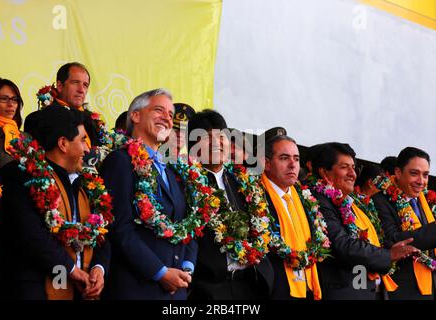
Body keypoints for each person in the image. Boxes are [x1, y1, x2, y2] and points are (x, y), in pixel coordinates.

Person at [0, 105, 111, 300]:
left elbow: (102, 232)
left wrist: (99, 269)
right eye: (83, 140)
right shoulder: (18, 175)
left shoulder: (86, 183)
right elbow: (31, 236)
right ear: (63, 144)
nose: (87, 148)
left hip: (80, 290)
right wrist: (72, 270)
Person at [100, 88, 197, 300]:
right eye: (159, 110)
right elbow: (119, 229)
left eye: (170, 115)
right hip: (137, 288)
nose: (167, 119)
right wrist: (160, 272)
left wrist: (187, 268)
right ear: (135, 116)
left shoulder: (173, 170)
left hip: (176, 292)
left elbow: (188, 225)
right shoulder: (120, 161)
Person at [309, 142, 418, 299]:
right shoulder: (318, 200)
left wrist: (392, 248)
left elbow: (370, 241)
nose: (352, 173)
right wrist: (388, 255)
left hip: (370, 289)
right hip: (344, 292)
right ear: (324, 172)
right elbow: (342, 244)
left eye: (353, 167)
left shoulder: (354, 203)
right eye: (344, 167)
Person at [186, 109, 273, 300]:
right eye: (208, 137)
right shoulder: (186, 182)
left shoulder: (243, 182)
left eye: (222, 136)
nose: (217, 143)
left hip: (251, 284)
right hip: (210, 288)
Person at [260, 134, 330, 300]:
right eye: (284, 158)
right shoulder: (255, 196)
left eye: (296, 159)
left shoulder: (305, 197)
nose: (292, 165)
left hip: (309, 288)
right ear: (267, 163)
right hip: (276, 290)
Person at [373, 147, 436, 300]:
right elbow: (394, 238)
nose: (421, 181)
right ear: (399, 172)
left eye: (425, 175)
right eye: (414, 173)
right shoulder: (379, 201)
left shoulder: (426, 200)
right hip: (402, 288)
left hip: (431, 284)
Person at [0, 77, 24, 300]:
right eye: (4, 99)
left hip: (22, 222)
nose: (11, 105)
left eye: (15, 100)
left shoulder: (26, 138)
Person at [25, 62, 102, 168]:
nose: (81, 90)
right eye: (75, 82)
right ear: (60, 86)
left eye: (85, 85)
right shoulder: (39, 119)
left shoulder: (92, 122)